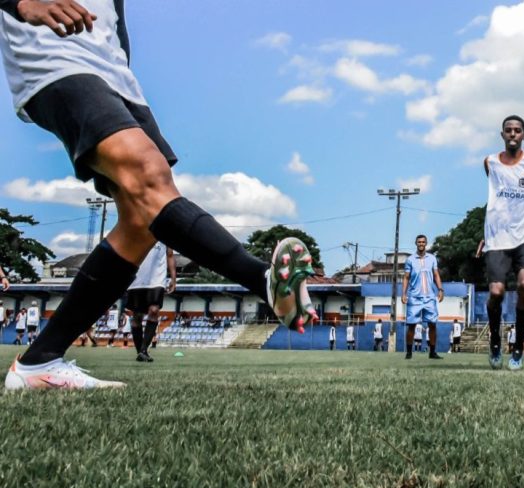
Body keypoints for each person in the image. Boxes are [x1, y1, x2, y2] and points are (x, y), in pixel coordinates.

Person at [0, 0, 316, 389]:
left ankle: (40, 361)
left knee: (140, 222)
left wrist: (120, 66)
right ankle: (264, 280)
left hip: (115, 75)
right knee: (148, 176)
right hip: (55, 57)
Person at [482, 115, 524, 371]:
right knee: (497, 292)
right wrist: (484, 235)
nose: (513, 134)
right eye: (508, 130)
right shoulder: (490, 163)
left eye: (517, 130)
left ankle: (519, 348)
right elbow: (494, 202)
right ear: (502, 135)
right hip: (497, 236)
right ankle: (495, 343)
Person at [126, 242, 175, 362]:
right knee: (137, 316)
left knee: (154, 310)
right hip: (136, 279)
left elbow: (170, 255)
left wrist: (173, 278)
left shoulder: (165, 231)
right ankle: (140, 352)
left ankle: (143, 350)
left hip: (157, 279)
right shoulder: (138, 226)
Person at [401, 234, 444, 360]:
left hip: (430, 297)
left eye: (423, 242)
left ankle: (432, 352)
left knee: (432, 324)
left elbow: (436, 275)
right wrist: (403, 293)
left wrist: (440, 289)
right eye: (419, 242)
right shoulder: (410, 260)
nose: (421, 244)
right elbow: (406, 278)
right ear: (416, 243)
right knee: (412, 325)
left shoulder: (432, 258)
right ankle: (409, 353)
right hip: (414, 297)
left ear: (426, 243)